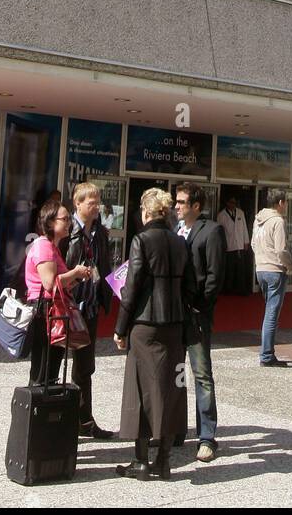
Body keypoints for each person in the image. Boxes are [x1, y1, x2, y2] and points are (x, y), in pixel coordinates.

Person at [114, 188, 196, 482]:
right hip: (174, 323)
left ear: (147, 212)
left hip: (145, 324)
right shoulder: (179, 242)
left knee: (140, 388)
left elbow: (131, 288)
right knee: (169, 390)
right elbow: (191, 287)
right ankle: (163, 460)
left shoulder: (141, 240)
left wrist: (120, 327)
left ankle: (140, 461)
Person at [174, 182, 226, 461]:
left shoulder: (212, 230)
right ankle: (176, 428)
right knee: (176, 371)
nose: (176, 207)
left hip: (196, 314)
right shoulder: (175, 230)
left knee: (202, 374)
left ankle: (207, 435)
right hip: (173, 314)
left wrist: (200, 307)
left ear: (196, 205)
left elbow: (215, 275)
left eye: (182, 202)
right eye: (176, 202)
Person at [62, 182, 115, 440]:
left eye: (97, 201)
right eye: (91, 202)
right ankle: (61, 419)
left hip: (89, 307)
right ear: (77, 203)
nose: (96, 206)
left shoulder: (101, 233)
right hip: (67, 306)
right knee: (57, 364)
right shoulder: (66, 230)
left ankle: (85, 420)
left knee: (85, 367)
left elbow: (104, 267)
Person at [24, 198, 93, 387]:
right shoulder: (44, 246)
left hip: (52, 310)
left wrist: (78, 278)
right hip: (46, 311)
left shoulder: (51, 246)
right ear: (50, 222)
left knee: (51, 368)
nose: (69, 222)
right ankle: (38, 411)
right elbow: (49, 284)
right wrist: (75, 272)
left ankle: (46, 410)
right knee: (44, 369)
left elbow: (59, 285)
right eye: (64, 219)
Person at [252, 188, 291, 367]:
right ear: (280, 203)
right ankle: (267, 355)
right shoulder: (278, 221)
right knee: (272, 314)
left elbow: (253, 243)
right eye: (286, 202)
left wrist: (261, 259)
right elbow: (281, 249)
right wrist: (290, 266)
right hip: (275, 269)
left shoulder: (258, 220)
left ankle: (267, 352)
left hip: (260, 269)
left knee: (269, 310)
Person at [218, 196, 252, 295]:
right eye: (231, 202)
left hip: (240, 245)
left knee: (241, 269)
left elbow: (244, 227)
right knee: (229, 269)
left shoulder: (240, 212)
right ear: (227, 203)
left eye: (234, 203)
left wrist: (246, 241)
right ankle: (228, 290)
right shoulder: (221, 215)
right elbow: (219, 231)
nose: (233, 205)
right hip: (229, 245)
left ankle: (242, 289)